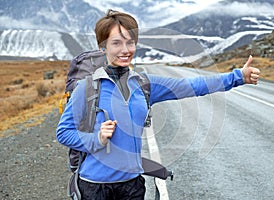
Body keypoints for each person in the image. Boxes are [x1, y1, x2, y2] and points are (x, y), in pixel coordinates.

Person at [56, 9, 260, 200]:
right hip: (94, 186)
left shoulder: (145, 85)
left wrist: (238, 76)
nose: (125, 50)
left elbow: (192, 85)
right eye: (116, 43)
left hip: (132, 185)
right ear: (103, 47)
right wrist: (96, 139)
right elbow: (63, 133)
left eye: (130, 43)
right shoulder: (87, 88)